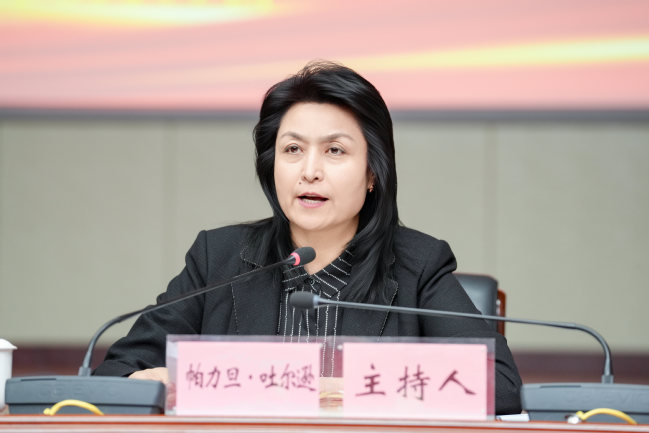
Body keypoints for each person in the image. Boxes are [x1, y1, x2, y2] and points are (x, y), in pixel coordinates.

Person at [94, 60, 522, 414]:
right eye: (293, 149)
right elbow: (115, 372)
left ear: (372, 173)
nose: (309, 171)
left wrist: (327, 388)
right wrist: (151, 382)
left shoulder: (418, 265)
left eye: (335, 150)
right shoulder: (219, 258)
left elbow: (500, 386)